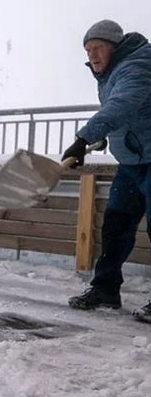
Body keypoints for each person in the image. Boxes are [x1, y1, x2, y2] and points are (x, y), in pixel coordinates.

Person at [63, 19, 151, 323]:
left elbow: (122, 104)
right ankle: (105, 290)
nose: (93, 56)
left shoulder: (139, 64)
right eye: (88, 50)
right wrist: (101, 137)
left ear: (115, 45)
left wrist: (83, 137)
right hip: (132, 163)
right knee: (115, 227)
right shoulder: (113, 72)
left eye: (98, 47)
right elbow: (127, 116)